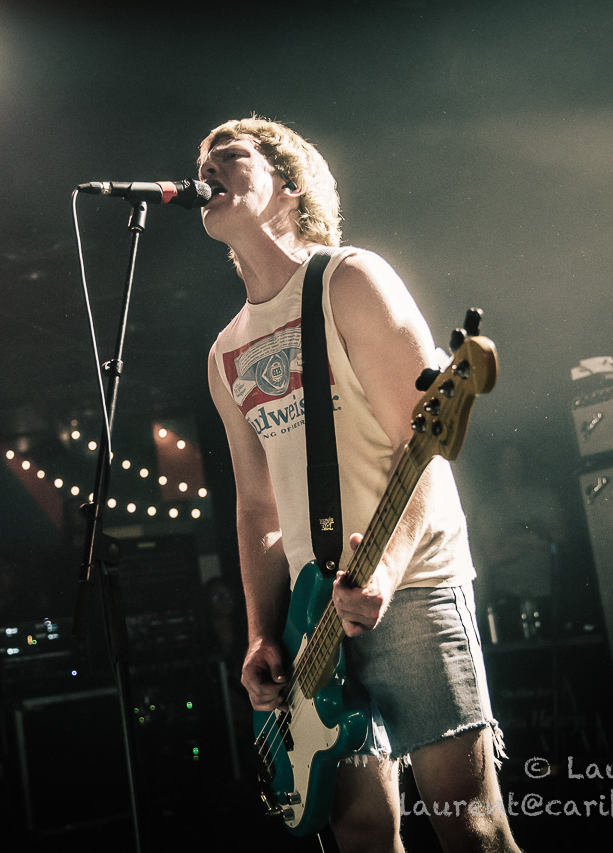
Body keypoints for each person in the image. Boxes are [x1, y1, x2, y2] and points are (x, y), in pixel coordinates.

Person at [199, 116, 521, 853]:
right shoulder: (225, 353)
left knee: (470, 826)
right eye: (202, 159)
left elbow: (422, 443)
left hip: (411, 587)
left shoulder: (350, 280)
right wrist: (260, 633)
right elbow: (257, 508)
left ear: (288, 185)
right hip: (312, 623)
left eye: (229, 155)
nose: (207, 166)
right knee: (363, 836)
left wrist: (385, 568)